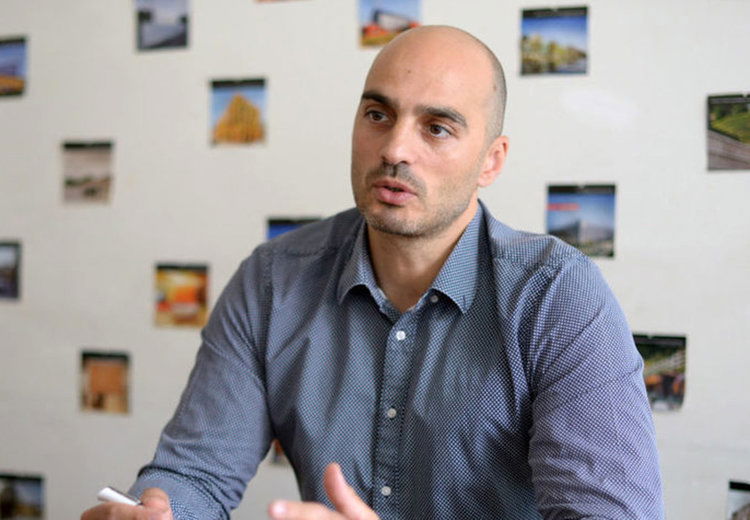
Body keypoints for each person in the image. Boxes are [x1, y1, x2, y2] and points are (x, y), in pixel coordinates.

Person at [81, 25, 663, 520]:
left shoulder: (557, 296)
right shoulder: (273, 280)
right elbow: (198, 474)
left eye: (436, 127)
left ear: (491, 161)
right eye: (378, 115)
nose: (395, 149)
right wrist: (158, 510)